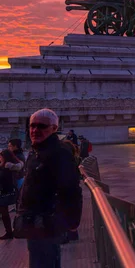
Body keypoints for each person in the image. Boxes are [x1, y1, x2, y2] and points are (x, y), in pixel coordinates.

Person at [16, 108, 82, 268]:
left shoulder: (59, 153)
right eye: (32, 126)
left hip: (46, 224)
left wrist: (72, 223)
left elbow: (71, 190)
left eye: (41, 126)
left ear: (54, 128)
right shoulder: (37, 151)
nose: (35, 130)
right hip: (34, 224)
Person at [0, 149, 19, 240]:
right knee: (4, 212)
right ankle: (10, 231)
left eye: (1, 156)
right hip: (7, 190)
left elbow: (3, 178)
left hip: (6, 191)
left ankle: (9, 232)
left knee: (4, 211)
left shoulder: (7, 166)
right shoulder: (5, 166)